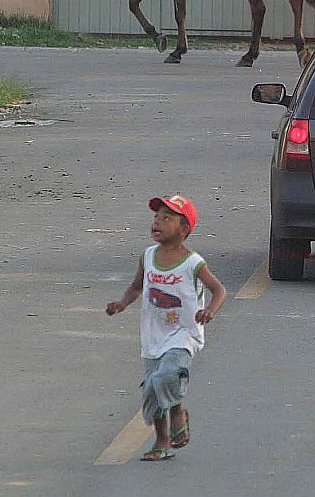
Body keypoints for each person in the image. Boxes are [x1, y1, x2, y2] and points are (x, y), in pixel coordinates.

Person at [105, 195, 227, 461]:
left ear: (183, 230)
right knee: (152, 386)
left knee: (166, 377)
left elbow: (218, 290)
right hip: (153, 336)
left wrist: (210, 311)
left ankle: (178, 412)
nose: (157, 221)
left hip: (184, 334)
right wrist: (122, 303)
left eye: (166, 218)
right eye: (156, 217)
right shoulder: (148, 256)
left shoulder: (193, 263)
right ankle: (161, 441)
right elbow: (137, 286)